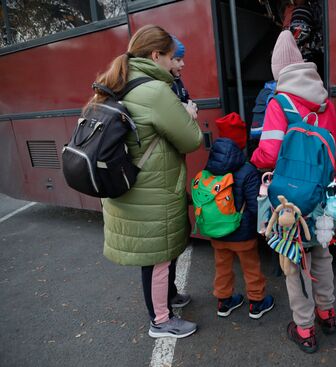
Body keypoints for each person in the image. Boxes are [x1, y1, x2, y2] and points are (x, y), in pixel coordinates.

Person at [97, 24, 203, 339]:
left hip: (129, 187)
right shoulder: (156, 91)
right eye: (173, 57)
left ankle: (168, 298)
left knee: (158, 252)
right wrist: (189, 115)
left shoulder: (117, 81)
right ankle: (161, 321)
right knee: (158, 258)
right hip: (150, 189)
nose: (177, 65)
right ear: (156, 55)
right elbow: (192, 140)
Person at [251, 30, 336, 353]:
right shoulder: (324, 101)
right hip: (322, 193)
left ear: (279, 70)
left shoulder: (280, 101)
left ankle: (304, 329)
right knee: (322, 252)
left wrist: (254, 159)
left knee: (293, 262)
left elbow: (269, 153)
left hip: (289, 200)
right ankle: (327, 313)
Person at [201, 137, 275, 319]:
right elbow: (254, 205)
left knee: (222, 267)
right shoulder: (248, 170)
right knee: (251, 267)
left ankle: (224, 302)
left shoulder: (208, 169)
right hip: (242, 233)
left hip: (217, 232)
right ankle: (257, 304)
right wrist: (264, 227)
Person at [170, 35, 198, 120]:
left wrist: (194, 106)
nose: (183, 64)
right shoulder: (163, 84)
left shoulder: (178, 80)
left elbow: (186, 98)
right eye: (178, 60)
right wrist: (184, 107)